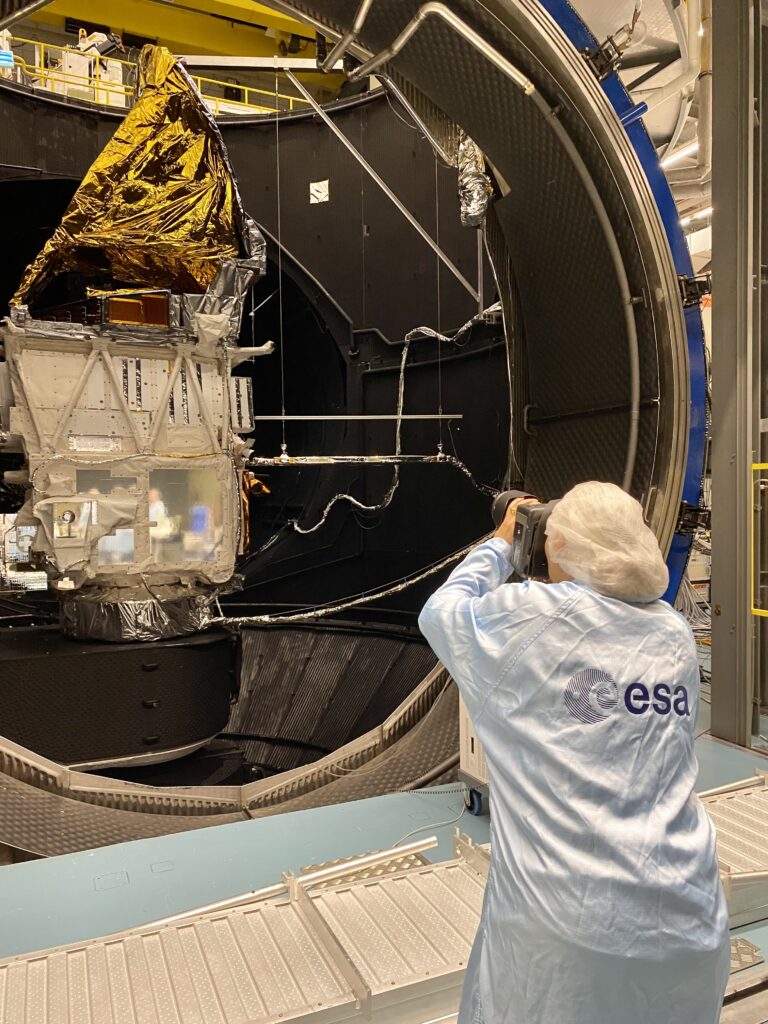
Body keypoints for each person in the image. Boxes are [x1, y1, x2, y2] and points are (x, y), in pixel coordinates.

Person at [418, 481, 729, 1024]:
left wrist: (502, 540)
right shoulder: (675, 634)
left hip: (572, 943)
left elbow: (441, 613)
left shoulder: (531, 617)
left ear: (558, 546)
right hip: (691, 923)